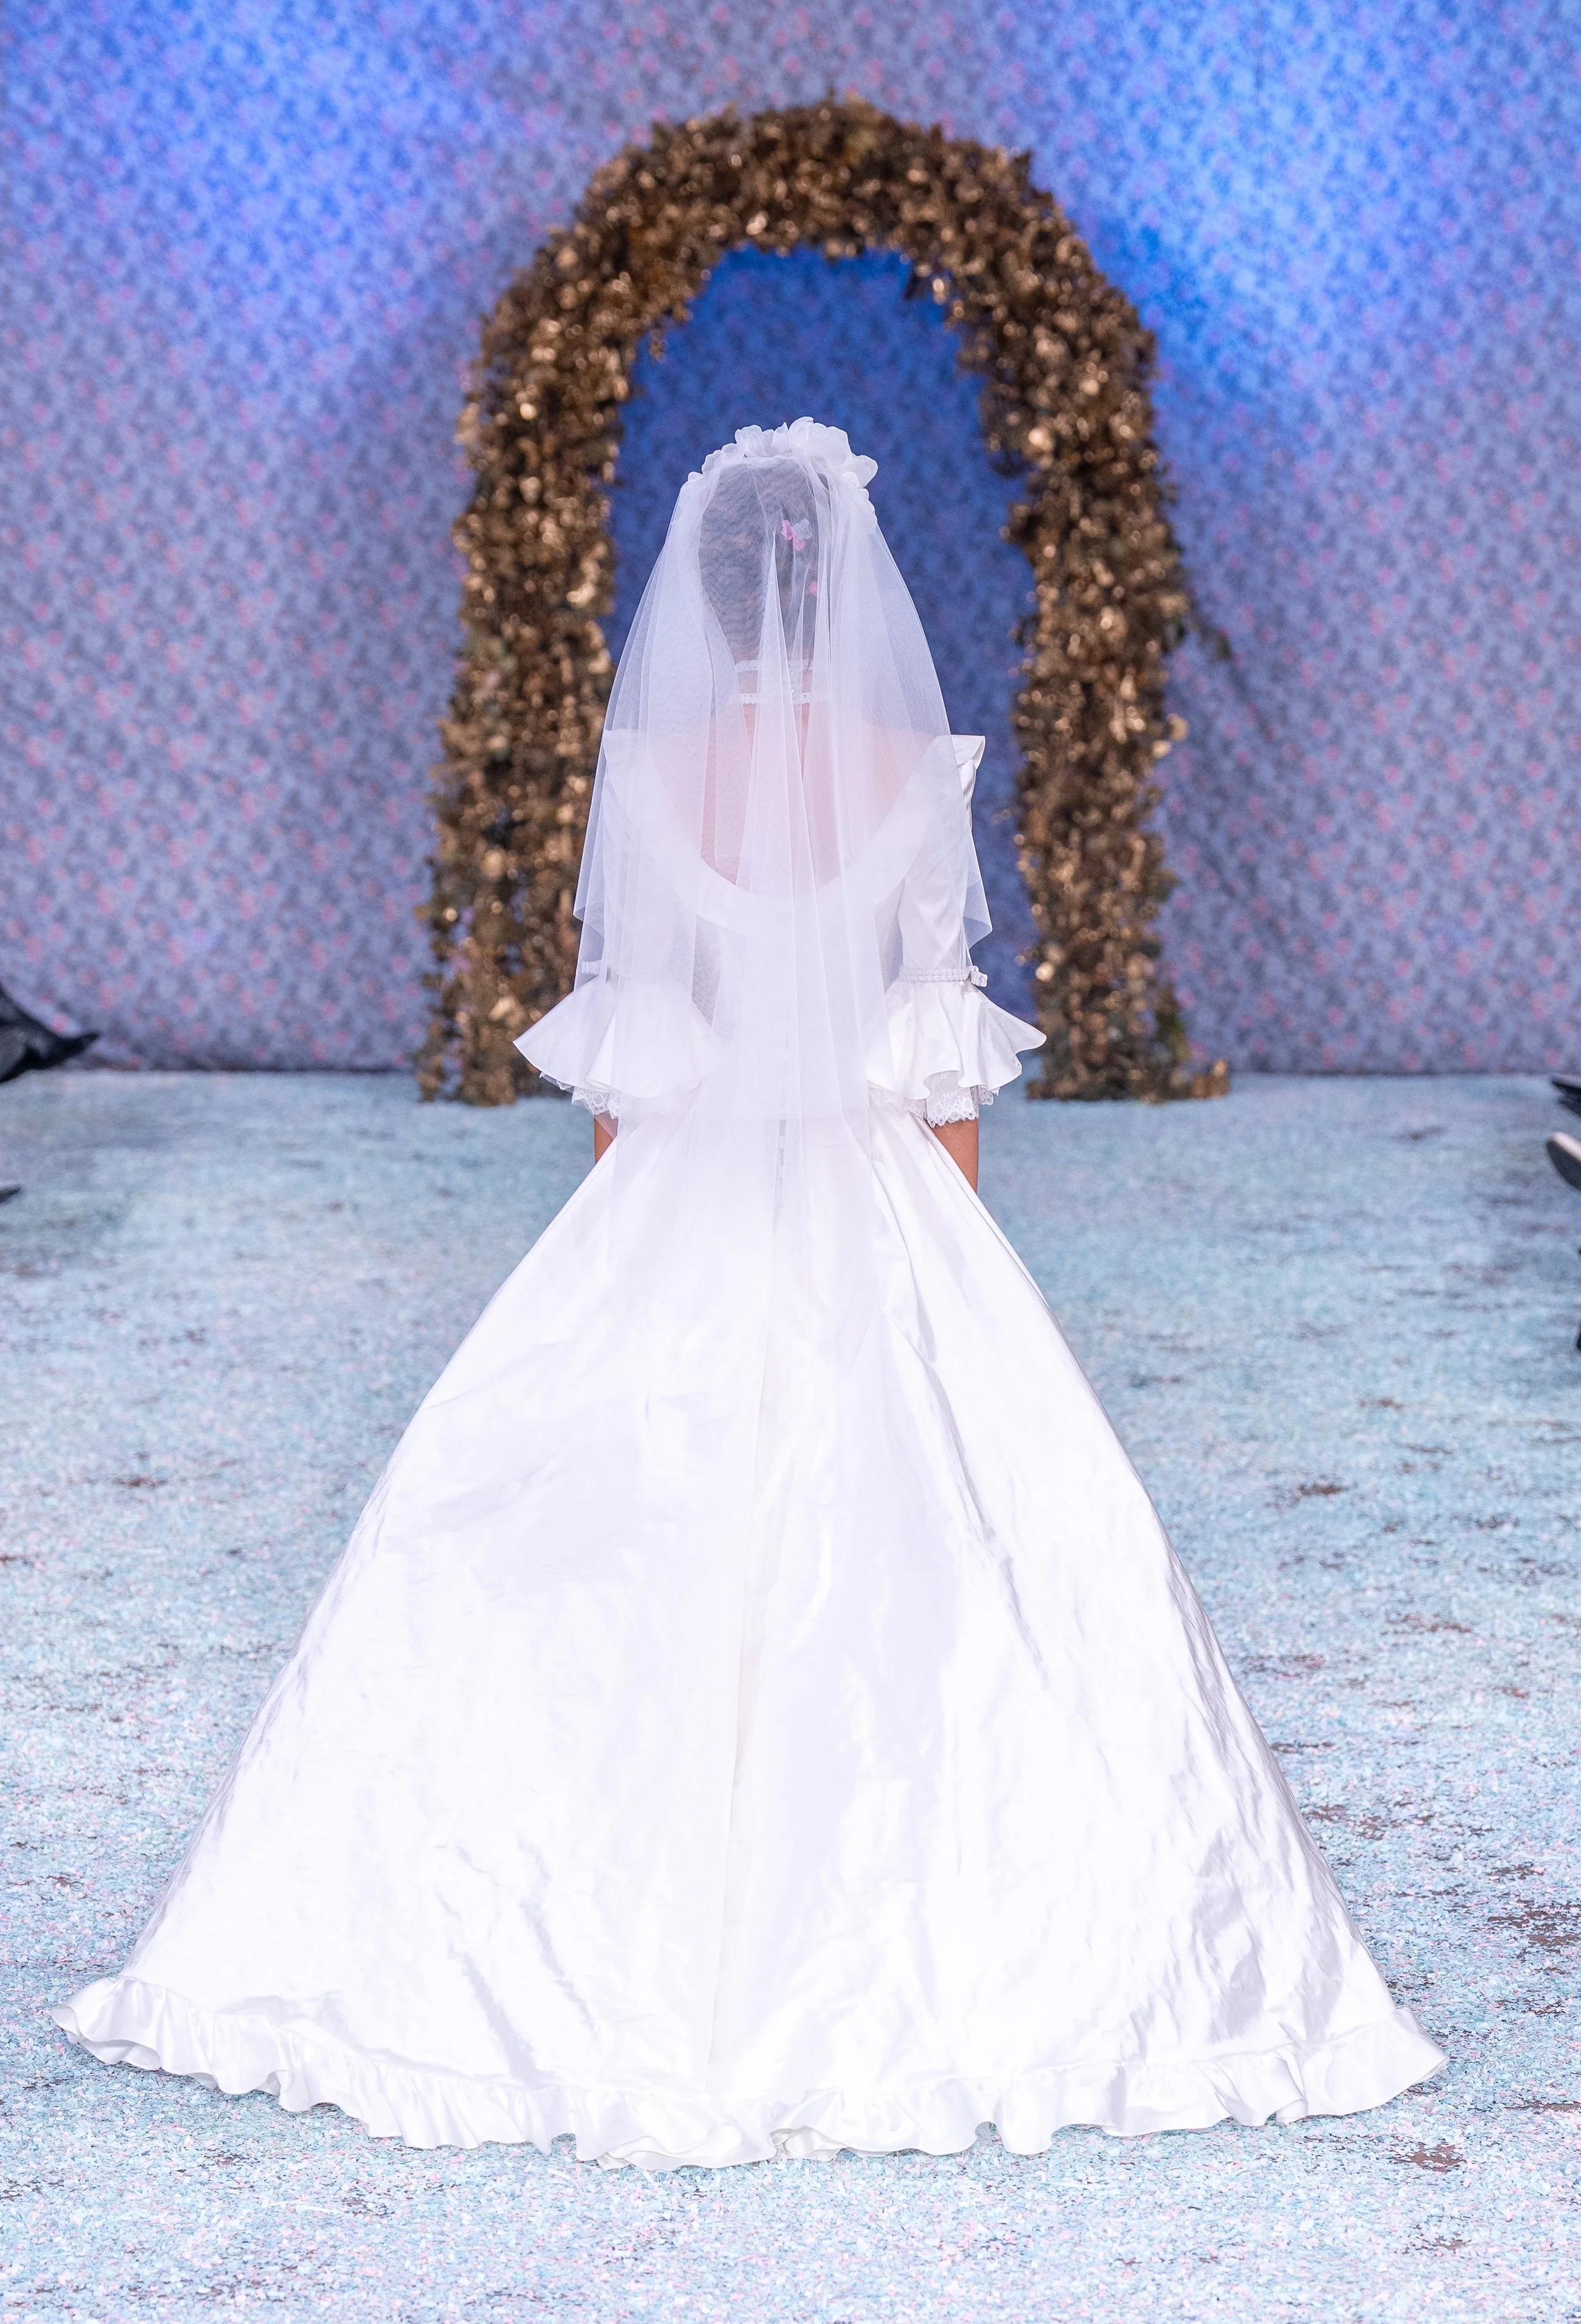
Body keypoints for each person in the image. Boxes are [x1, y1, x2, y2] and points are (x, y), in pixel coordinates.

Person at [54, 420, 1443, 2166]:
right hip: (875, 1203)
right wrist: (962, 1295)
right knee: (960, 1560)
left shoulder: (649, 779)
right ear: (850, 580)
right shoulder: (908, 767)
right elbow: (935, 1072)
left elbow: (631, 1071)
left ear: (704, 594)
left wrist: (606, 1270)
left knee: (575, 1538)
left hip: (678, 1197)